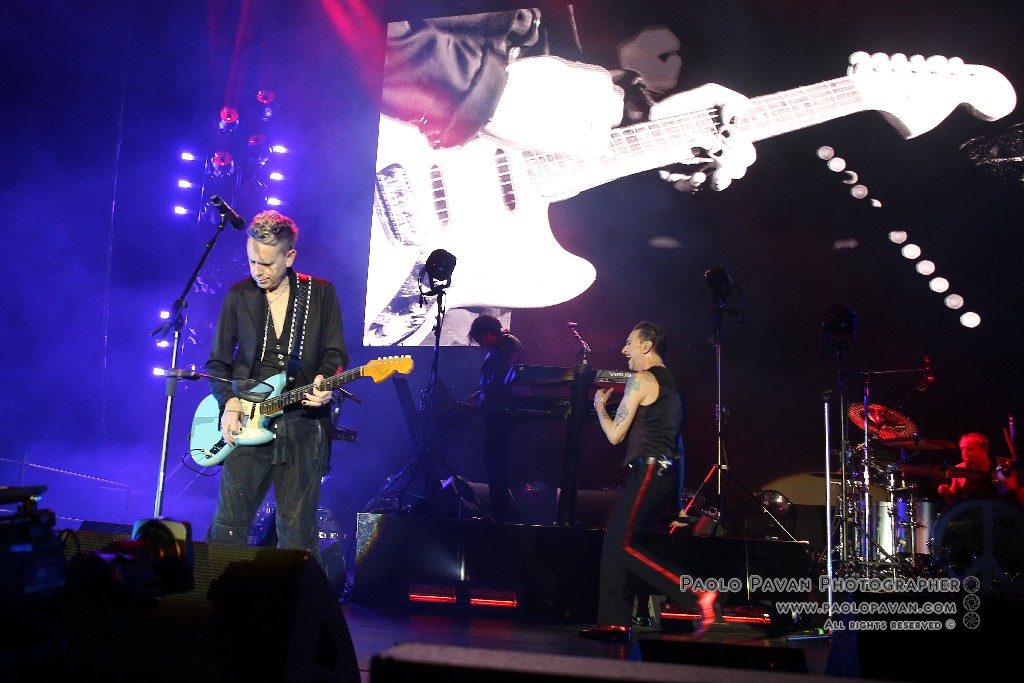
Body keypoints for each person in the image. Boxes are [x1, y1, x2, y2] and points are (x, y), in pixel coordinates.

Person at [365, 8, 756, 346]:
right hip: (375, 155)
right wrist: (489, 97)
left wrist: (646, 122)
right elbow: (362, 29)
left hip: (451, 293)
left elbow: (544, 90)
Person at [205, 209, 349, 562]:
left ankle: (293, 597)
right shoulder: (239, 295)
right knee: (228, 526)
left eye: (267, 263)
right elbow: (217, 363)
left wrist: (325, 380)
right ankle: (215, 591)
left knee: (297, 534)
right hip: (247, 421)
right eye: (252, 261)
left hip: (303, 425)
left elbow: (335, 353)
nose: (258, 270)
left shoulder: (321, 293)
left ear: (290, 256)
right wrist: (228, 402)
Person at [579, 321, 716, 642]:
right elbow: (678, 444)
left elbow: (615, 435)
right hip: (662, 473)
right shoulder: (671, 384)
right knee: (615, 543)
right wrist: (678, 502)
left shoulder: (641, 380)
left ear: (646, 345)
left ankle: (695, 591)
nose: (624, 349)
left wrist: (599, 406)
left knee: (621, 544)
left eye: (629, 343)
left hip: (651, 471)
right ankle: (614, 622)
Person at [467, 314, 523, 523]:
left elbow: (503, 373)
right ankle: (498, 510)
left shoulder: (506, 343)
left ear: (489, 332)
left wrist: (481, 392)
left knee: (494, 460)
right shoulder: (498, 346)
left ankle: (500, 512)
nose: (480, 344)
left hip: (503, 411)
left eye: (480, 339)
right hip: (497, 411)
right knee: (493, 460)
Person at [937, 432, 998, 505]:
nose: (964, 452)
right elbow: (954, 502)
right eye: (962, 449)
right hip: (973, 510)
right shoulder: (959, 469)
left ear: (985, 449)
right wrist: (947, 493)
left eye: (969, 449)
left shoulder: (1000, 464)